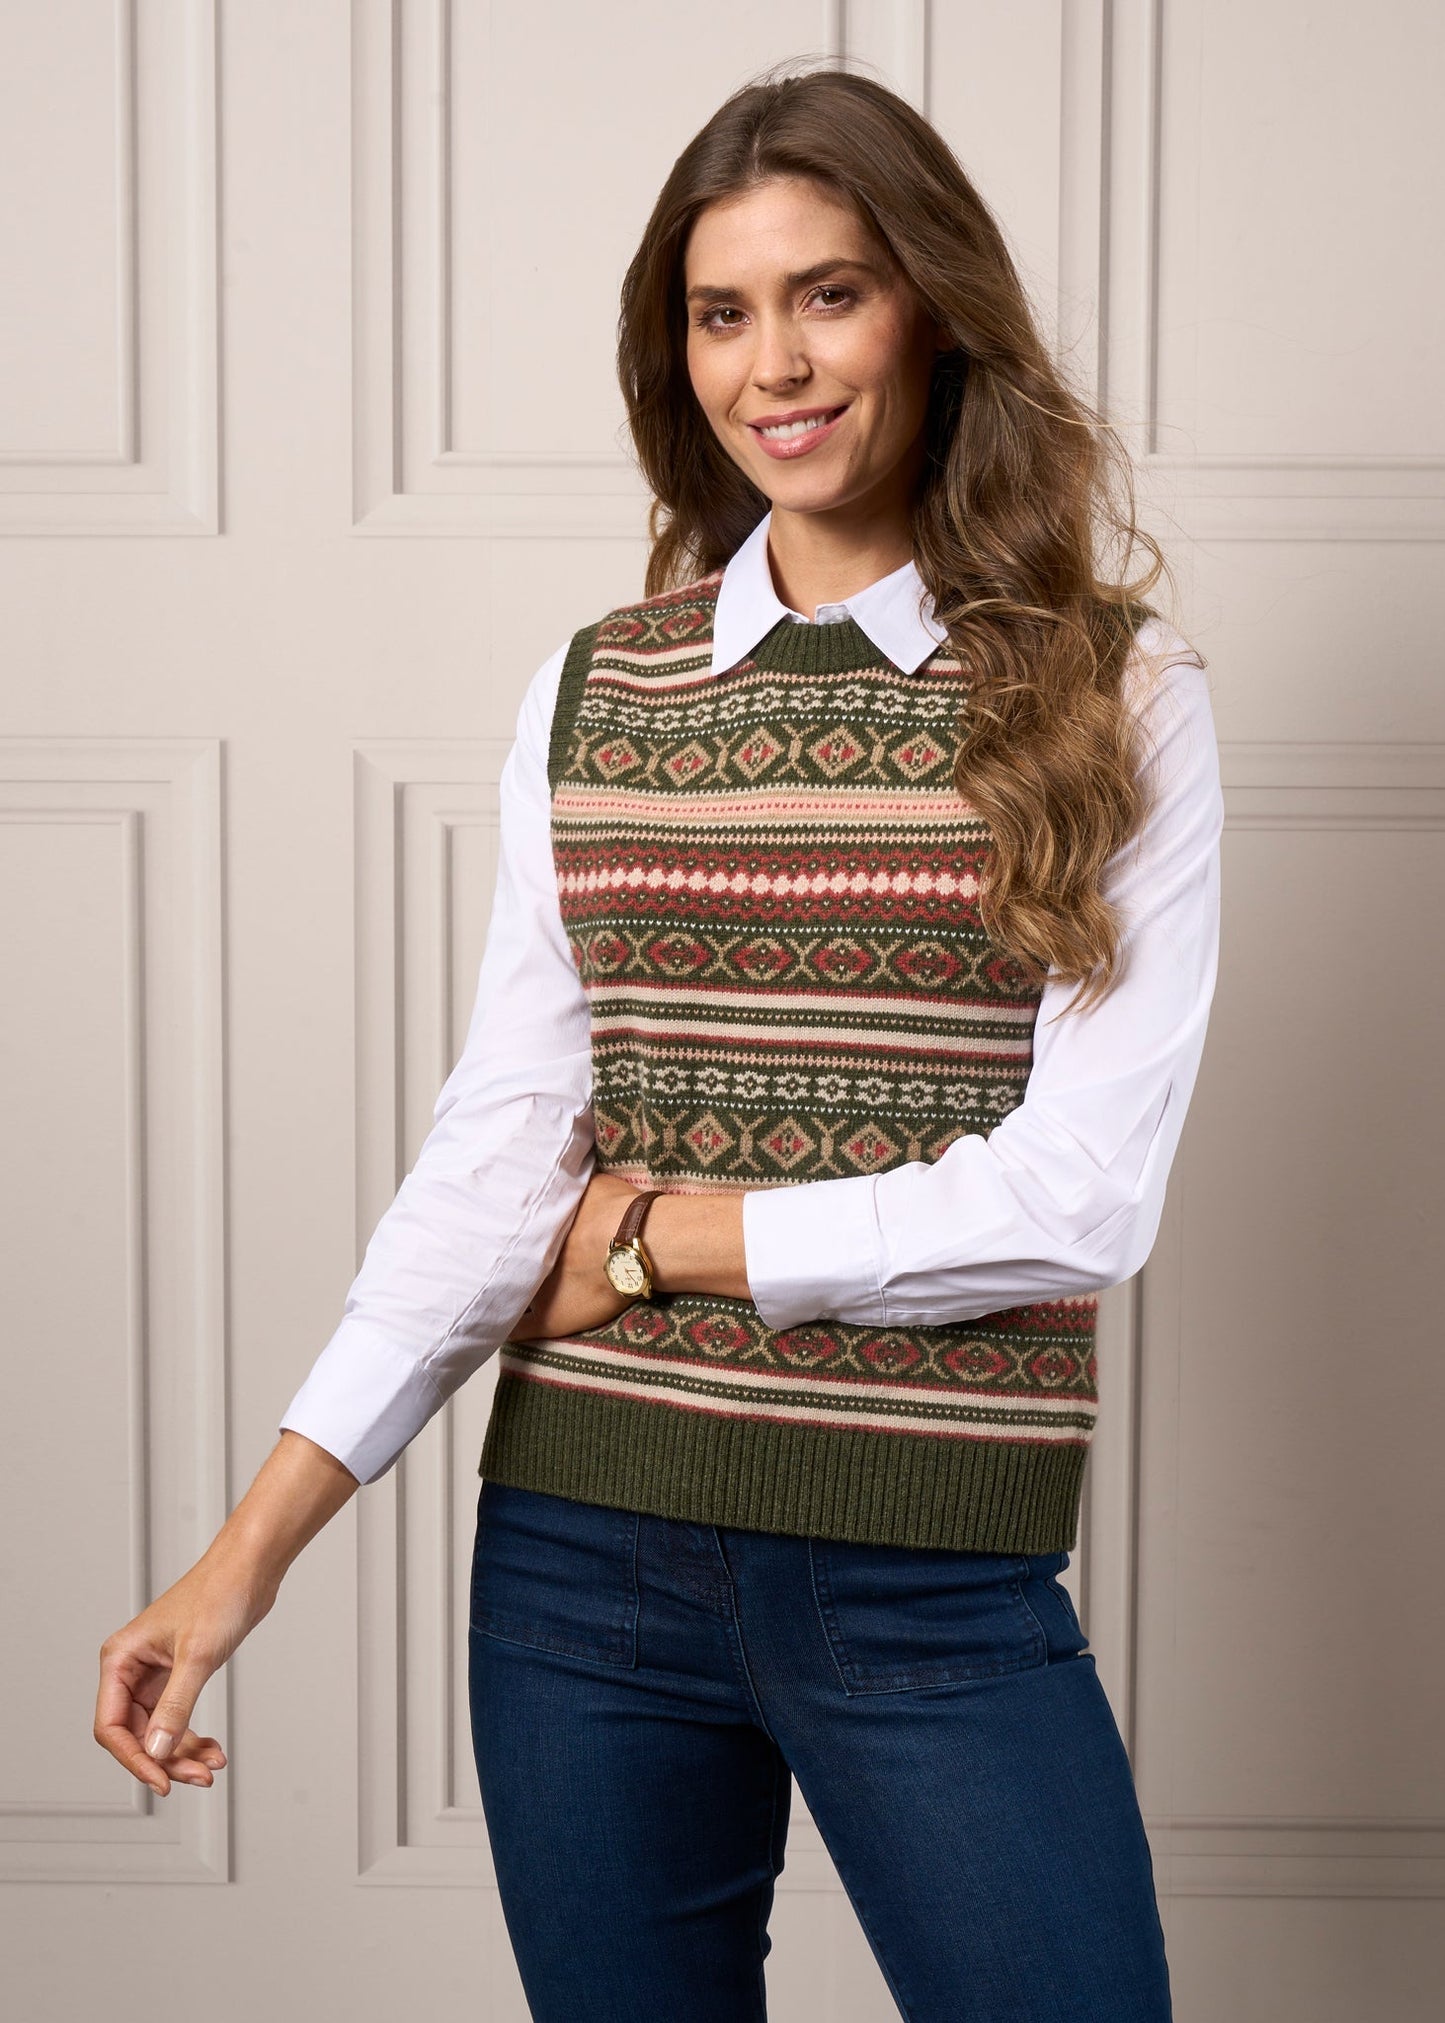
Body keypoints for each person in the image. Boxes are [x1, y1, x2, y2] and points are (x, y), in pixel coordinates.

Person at [96, 62, 1221, 2022]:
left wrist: (654, 1241)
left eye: (828, 294)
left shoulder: (1114, 695)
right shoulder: (596, 692)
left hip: (922, 1573)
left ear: (933, 312)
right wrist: (245, 1556)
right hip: (582, 1568)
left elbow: (1080, 1199)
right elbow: (496, 1152)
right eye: (721, 312)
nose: (772, 364)